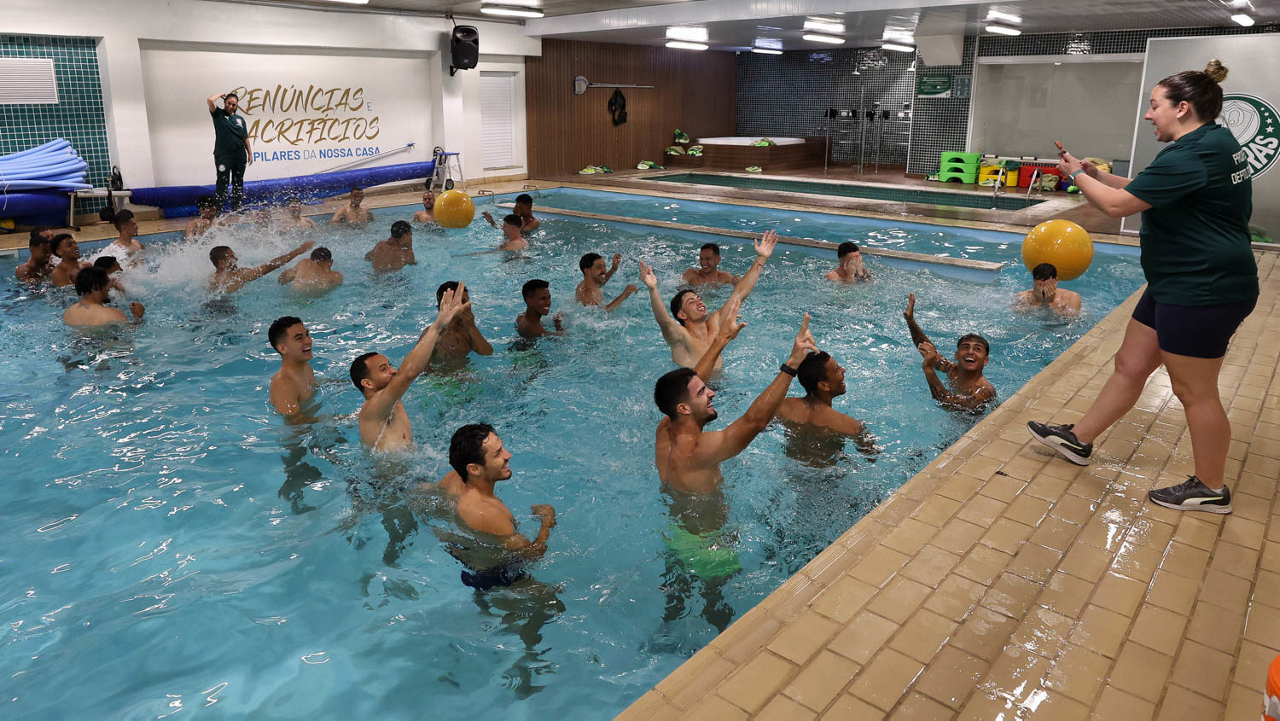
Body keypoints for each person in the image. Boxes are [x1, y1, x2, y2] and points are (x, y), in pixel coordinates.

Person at [1028, 60, 1257, 514]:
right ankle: (1078, 440)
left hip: (1203, 287)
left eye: (1155, 105)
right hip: (1177, 279)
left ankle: (1211, 488)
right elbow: (1144, 189)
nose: (1149, 114)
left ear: (1183, 108)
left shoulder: (1191, 153)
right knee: (1130, 363)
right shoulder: (1212, 141)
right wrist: (1095, 173)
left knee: (1194, 391)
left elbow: (1118, 207)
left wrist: (1075, 176)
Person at [653, 312, 814, 492]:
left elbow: (692, 381)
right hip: (705, 511)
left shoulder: (665, 430)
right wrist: (792, 364)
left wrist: (721, 340)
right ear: (683, 408)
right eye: (702, 392)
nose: (712, 393)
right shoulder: (697, 450)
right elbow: (755, 422)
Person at [350, 283, 469, 451]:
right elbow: (407, 373)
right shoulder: (374, 406)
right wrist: (436, 327)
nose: (393, 370)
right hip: (392, 469)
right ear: (367, 383)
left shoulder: (390, 402)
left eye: (389, 365)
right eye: (383, 369)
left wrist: (447, 324)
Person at [641, 229, 778, 369]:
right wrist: (653, 289)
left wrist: (761, 258)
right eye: (691, 301)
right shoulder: (681, 337)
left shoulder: (714, 324)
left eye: (698, 298)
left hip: (720, 382)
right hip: (690, 382)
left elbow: (740, 293)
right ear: (682, 314)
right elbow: (664, 321)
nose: (699, 301)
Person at [445, 424, 557, 587]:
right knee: (554, 600)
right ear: (474, 469)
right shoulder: (489, 513)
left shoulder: (454, 479)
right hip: (496, 576)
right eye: (498, 454)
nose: (508, 455)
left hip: (468, 558)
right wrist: (547, 520)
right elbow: (532, 555)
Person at [903, 293, 996, 411]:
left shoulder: (984, 391)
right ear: (956, 356)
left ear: (985, 360)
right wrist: (911, 321)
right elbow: (928, 350)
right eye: (965, 347)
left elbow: (947, 403)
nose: (970, 352)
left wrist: (928, 368)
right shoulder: (954, 371)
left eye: (977, 349)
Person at [776, 351, 868, 437]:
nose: (843, 370)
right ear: (824, 385)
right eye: (837, 370)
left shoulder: (784, 406)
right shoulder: (849, 425)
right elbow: (870, 449)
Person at [208, 240, 314, 293]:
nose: (236, 259)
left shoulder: (209, 280)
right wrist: (298, 251)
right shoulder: (239, 275)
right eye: (232, 257)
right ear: (221, 262)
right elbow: (270, 266)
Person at [206, 91, 252, 212]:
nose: (231, 106)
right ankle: (218, 210)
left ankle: (236, 208)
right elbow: (210, 100)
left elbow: (245, 138)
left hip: (240, 156)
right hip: (223, 156)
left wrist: (250, 154)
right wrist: (221, 94)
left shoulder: (240, 119)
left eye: (234, 105)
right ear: (225, 102)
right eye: (229, 103)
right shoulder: (218, 114)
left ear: (236, 106)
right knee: (223, 181)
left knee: (238, 182)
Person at [431, 281, 494, 367]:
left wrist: (472, 327)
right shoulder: (433, 335)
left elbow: (487, 353)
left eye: (467, 301)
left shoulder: (467, 330)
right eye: (463, 302)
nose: (468, 305)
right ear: (446, 305)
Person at [267, 316, 317, 419]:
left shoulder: (306, 367)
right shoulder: (283, 384)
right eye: (299, 338)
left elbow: (314, 386)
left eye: (307, 334)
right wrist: (333, 419)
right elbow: (294, 422)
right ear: (283, 348)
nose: (308, 341)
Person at [62, 266, 144, 327]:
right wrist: (138, 318)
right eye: (108, 281)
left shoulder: (68, 313)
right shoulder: (113, 315)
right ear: (95, 285)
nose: (110, 285)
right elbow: (129, 335)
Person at [1016, 263, 1081, 314]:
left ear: (1056, 280)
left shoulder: (1072, 297)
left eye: (1045, 280)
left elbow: (1072, 319)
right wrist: (1038, 301)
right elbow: (1020, 318)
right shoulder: (1023, 296)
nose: (1042, 284)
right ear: (1033, 280)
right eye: (1038, 280)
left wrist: (1050, 302)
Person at [278, 246, 343, 293]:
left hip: (292, 299)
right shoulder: (336, 276)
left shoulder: (304, 263)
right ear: (331, 262)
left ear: (311, 259)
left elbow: (282, 280)